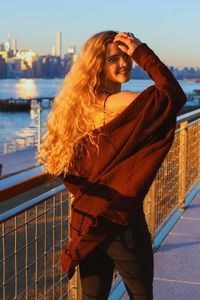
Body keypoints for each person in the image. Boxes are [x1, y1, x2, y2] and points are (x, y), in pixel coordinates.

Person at [38, 31, 186, 299]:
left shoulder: (78, 109)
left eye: (127, 56)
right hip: (120, 221)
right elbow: (172, 97)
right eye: (113, 59)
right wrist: (142, 51)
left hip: (86, 222)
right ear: (97, 66)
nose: (124, 63)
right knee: (141, 294)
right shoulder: (117, 102)